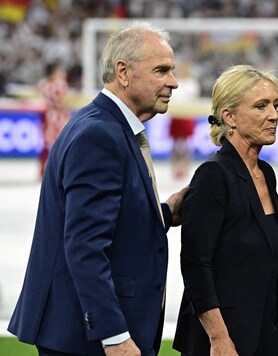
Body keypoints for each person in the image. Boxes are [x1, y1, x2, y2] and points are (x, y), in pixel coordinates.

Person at [8, 21, 187, 355]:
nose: (173, 82)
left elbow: (108, 223)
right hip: (84, 339)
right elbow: (85, 245)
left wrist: (162, 214)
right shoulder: (100, 136)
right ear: (123, 72)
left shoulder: (105, 125)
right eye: (162, 70)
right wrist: (114, 335)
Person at [173, 64, 278, 356]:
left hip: (267, 337)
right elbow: (196, 264)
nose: (273, 115)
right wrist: (219, 338)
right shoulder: (213, 176)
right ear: (229, 116)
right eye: (261, 106)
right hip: (224, 344)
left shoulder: (265, 173)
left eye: (275, 105)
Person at [37, 62, 71, 178]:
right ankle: (61, 170)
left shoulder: (43, 85)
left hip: (48, 116)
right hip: (59, 117)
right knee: (62, 143)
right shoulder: (60, 85)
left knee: (47, 144)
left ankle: (42, 171)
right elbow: (62, 103)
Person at [168, 61, 201, 180]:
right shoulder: (175, 82)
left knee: (186, 144)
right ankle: (175, 168)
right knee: (175, 144)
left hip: (186, 115)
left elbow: (192, 98)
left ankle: (185, 168)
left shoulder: (191, 83)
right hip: (176, 115)